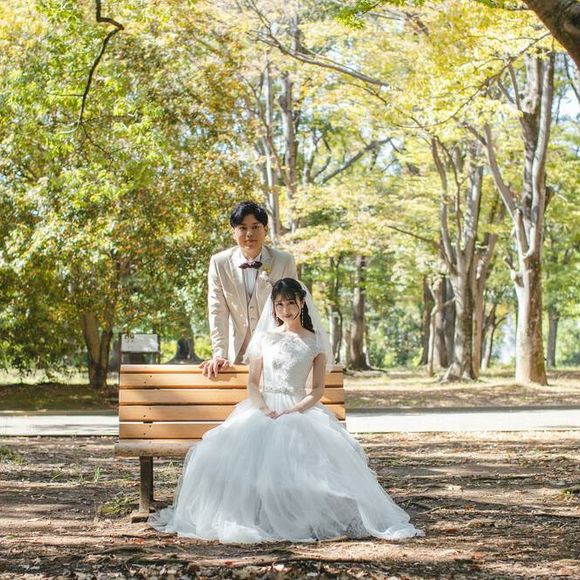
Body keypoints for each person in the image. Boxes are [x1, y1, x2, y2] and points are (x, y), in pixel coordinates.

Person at [150, 278, 424, 543]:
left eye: (291, 303)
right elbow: (253, 384)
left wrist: (295, 410)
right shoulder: (265, 339)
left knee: (306, 457)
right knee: (217, 452)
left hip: (299, 409)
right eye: (279, 305)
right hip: (263, 407)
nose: (285, 310)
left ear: (302, 302)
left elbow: (317, 390)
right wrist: (263, 408)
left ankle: (303, 517)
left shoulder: (315, 342)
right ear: (273, 307)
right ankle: (254, 516)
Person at [199, 201, 297, 378]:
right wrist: (219, 354)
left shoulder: (284, 261)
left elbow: (292, 310)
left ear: (265, 230)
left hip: (275, 352)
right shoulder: (219, 263)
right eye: (242, 228)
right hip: (236, 354)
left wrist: (287, 351)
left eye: (255, 227)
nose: (249, 234)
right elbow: (217, 311)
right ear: (234, 232)